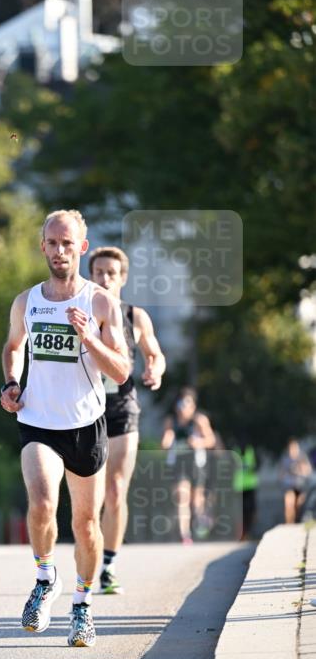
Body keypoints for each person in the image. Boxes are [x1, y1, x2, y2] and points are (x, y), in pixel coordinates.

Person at [0, 209, 130, 647]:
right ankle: (43, 578)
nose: (59, 251)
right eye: (52, 243)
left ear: (82, 248)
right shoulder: (26, 301)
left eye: (67, 244)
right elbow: (13, 347)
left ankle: (82, 606)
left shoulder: (99, 302)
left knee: (86, 523)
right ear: (43, 247)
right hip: (37, 421)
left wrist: (89, 338)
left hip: (85, 426)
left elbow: (122, 370)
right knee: (40, 502)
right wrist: (11, 383)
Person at [88, 246, 166, 594]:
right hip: (83, 409)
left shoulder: (135, 315)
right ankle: (85, 557)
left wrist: (155, 370)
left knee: (116, 488)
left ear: (122, 278)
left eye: (111, 272)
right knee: (88, 494)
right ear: (91, 275)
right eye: (99, 271)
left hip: (121, 407)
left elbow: (154, 352)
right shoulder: (78, 310)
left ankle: (108, 564)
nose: (104, 277)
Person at [161, 388, 216, 545]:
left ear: (193, 406)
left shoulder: (199, 420)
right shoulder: (171, 421)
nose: (184, 407)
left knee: (196, 501)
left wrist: (199, 442)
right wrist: (166, 440)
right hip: (178, 463)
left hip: (196, 464)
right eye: (181, 403)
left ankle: (200, 523)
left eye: (187, 403)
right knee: (181, 497)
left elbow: (211, 440)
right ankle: (185, 534)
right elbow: (166, 438)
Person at [280, 438, 312, 523]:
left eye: (295, 448)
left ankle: (296, 521)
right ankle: (289, 524)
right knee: (289, 504)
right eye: (291, 448)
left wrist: (300, 470)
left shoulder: (302, 458)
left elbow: (308, 471)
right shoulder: (285, 459)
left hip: (300, 486)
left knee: (299, 505)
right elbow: (281, 474)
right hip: (289, 485)